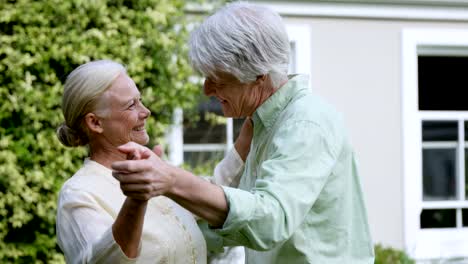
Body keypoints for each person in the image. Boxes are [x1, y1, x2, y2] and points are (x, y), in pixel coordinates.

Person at [112, 2, 375, 263]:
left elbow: (271, 220)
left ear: (258, 74)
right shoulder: (265, 124)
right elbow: (235, 225)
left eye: (217, 78)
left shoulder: (305, 123)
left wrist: (172, 180)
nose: (206, 90)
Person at [55, 59, 252, 263]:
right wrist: (137, 198)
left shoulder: (154, 171)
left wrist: (253, 122)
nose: (146, 111)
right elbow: (104, 261)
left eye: (140, 100)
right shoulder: (78, 194)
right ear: (95, 122)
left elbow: (208, 192)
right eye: (131, 105)